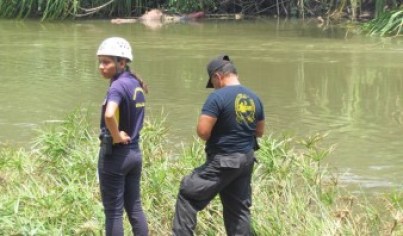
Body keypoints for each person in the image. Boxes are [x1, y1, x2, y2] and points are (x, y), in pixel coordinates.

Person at [172, 55, 265, 235]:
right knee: (238, 210)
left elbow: (203, 132)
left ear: (218, 76)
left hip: (224, 160)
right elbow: (259, 132)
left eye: (213, 82)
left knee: (188, 192)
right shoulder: (254, 97)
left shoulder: (217, 98)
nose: (213, 86)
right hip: (245, 161)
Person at [97, 37, 149, 236]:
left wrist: (116, 135)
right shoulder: (134, 83)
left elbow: (110, 114)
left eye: (107, 62)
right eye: (100, 62)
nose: (102, 67)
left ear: (122, 62)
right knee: (135, 208)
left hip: (116, 155)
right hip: (134, 153)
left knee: (113, 213)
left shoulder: (118, 86)